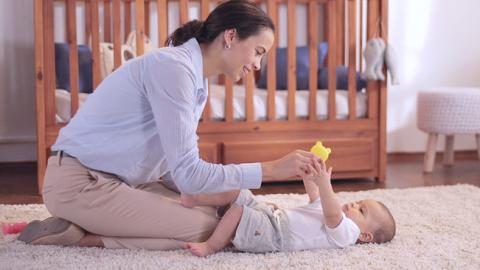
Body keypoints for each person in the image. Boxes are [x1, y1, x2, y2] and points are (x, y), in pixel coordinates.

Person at [18, 0, 321, 250]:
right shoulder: (174, 69)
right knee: (211, 229)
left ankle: (87, 221)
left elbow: (173, 172)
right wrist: (270, 170)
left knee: (221, 215)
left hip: (122, 182)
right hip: (80, 183)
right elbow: (189, 176)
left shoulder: (195, 80)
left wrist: (234, 198)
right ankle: (84, 236)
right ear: (230, 36)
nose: (257, 65)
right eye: (258, 52)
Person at [181, 159, 396, 256]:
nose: (353, 204)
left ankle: (210, 247)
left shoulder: (347, 234)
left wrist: (325, 184)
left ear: (365, 236)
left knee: (238, 210)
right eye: (359, 202)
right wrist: (309, 175)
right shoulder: (336, 212)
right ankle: (196, 199)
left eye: (361, 210)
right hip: (273, 216)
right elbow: (314, 194)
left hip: (276, 235)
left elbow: (331, 214)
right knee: (239, 191)